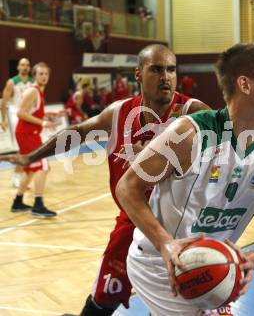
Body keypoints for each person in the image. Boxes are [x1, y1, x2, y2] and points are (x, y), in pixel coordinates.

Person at [0, 44, 209, 315]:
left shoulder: (194, 111)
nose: (165, 77)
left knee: (177, 305)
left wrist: (155, 155)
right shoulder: (119, 113)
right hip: (132, 222)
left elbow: (221, 162)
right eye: (156, 69)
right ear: (138, 74)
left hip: (182, 226)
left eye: (170, 70)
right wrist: (30, 157)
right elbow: (75, 133)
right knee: (103, 299)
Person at [116, 43, 254, 316]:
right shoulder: (190, 133)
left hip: (212, 265)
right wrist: (165, 243)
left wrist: (246, 261)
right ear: (245, 84)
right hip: (157, 261)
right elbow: (127, 187)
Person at [9, 62, 58, 217]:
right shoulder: (32, 91)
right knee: (43, 166)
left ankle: (18, 202)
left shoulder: (39, 91)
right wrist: (43, 122)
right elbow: (20, 113)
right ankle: (38, 205)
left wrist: (50, 115)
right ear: (34, 75)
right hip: (26, 134)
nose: (44, 76)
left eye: (46, 74)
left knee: (30, 169)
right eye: (40, 74)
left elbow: (32, 113)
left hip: (29, 133)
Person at [1, 58, 33, 187]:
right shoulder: (12, 82)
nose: (25, 67)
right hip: (16, 117)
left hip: (29, 117)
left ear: (29, 68)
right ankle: (16, 177)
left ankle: (19, 176)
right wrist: (3, 119)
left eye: (27, 65)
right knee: (23, 148)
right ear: (18, 67)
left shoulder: (33, 82)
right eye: (22, 65)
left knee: (27, 149)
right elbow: (4, 101)